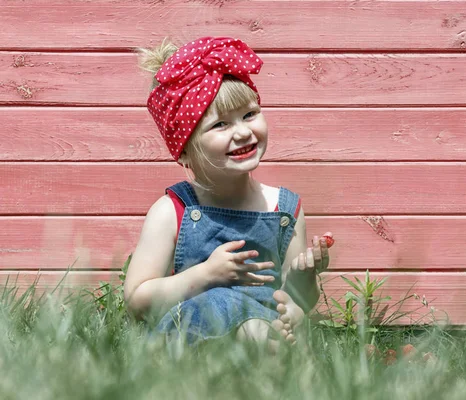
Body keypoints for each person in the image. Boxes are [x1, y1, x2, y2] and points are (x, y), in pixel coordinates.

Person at [123, 36, 334, 349]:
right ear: (184, 150)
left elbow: (294, 301)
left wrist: (302, 283)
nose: (243, 131)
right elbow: (137, 300)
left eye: (250, 114)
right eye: (220, 124)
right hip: (192, 344)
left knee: (261, 330)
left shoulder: (285, 210)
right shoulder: (172, 211)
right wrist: (207, 274)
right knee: (241, 320)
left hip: (262, 328)